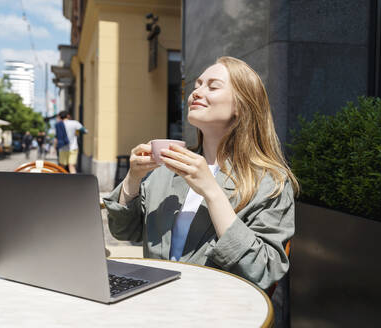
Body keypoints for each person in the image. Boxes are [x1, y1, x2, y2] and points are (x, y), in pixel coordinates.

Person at [103, 57, 300, 290]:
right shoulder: (168, 169)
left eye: (213, 86)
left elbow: (263, 270)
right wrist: (133, 179)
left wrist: (212, 191)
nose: (196, 93)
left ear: (241, 105)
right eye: (197, 85)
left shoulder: (270, 182)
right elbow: (124, 230)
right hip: (154, 301)